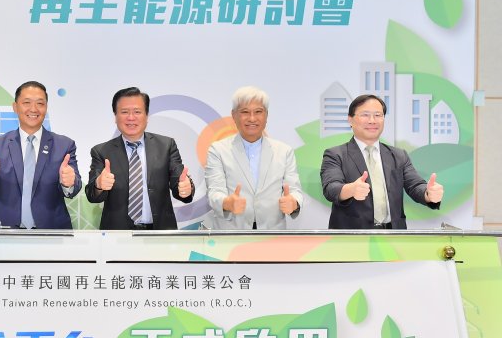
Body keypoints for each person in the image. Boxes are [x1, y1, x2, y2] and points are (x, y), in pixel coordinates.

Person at [320, 94, 443, 229]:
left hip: (393, 234)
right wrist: (351, 189)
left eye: (378, 115)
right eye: (365, 115)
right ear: (350, 119)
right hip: (353, 236)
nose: (372, 120)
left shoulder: (398, 155)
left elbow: (415, 186)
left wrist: (428, 194)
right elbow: (331, 188)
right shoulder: (335, 155)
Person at [0, 81, 82, 229]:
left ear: (46, 107)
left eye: (40, 103)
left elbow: (74, 188)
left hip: (52, 230)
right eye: (26, 102)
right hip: (4, 230)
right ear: (15, 107)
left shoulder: (64, 145)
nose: (33, 109)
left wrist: (69, 183)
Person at [86, 87, 194, 230]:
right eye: (124, 112)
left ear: (147, 116)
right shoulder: (101, 151)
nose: (131, 117)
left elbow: (179, 181)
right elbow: (92, 196)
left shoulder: (166, 145)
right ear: (115, 116)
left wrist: (186, 188)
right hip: (118, 234)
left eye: (137, 112)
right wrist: (99, 185)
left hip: (159, 232)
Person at [205, 86, 303, 229]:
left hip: (272, 233)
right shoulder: (218, 150)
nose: (252, 118)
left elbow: (294, 190)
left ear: (266, 115)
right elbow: (214, 191)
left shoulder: (284, 151)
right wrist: (227, 203)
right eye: (245, 112)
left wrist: (294, 203)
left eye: (258, 112)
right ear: (234, 115)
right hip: (231, 233)